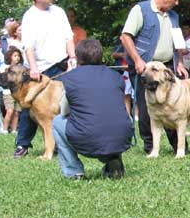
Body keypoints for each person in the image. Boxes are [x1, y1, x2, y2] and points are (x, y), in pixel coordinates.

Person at [120, 0, 189, 154]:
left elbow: (178, 42)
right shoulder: (140, 10)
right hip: (145, 67)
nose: (177, 3)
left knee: (174, 104)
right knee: (146, 109)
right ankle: (151, 147)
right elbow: (125, 37)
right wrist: (137, 60)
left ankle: (180, 147)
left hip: (166, 67)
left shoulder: (173, 16)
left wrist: (180, 62)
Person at [52, 39, 134, 179]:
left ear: (78, 58)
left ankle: (74, 171)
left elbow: (64, 111)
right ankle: (113, 161)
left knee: (57, 121)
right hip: (122, 136)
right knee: (115, 119)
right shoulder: (116, 76)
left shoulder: (70, 78)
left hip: (87, 138)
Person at [15, 0, 76, 159]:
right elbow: (28, 45)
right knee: (31, 109)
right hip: (40, 70)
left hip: (62, 65)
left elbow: (68, 37)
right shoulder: (30, 16)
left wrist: (72, 58)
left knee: (67, 105)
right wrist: (33, 68)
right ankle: (22, 144)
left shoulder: (58, 12)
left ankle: (66, 143)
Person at [0, 47, 23, 134]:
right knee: (9, 111)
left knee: (17, 112)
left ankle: (14, 130)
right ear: (9, 57)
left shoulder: (21, 68)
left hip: (18, 93)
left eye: (18, 56)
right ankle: (5, 130)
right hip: (8, 93)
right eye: (15, 56)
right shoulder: (5, 68)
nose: (17, 58)